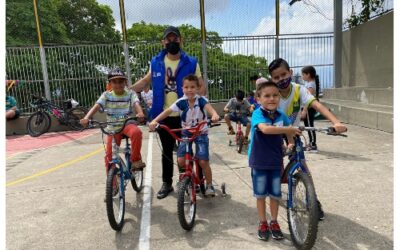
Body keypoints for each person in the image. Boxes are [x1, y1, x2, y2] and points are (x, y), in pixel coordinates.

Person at [268, 58, 347, 221]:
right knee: (274, 166)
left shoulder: (299, 90)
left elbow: (317, 105)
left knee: (302, 164)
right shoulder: (272, 95)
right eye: (276, 77)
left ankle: (312, 199)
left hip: (294, 131)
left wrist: (336, 122)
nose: (281, 79)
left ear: (290, 72)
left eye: (284, 74)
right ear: (272, 80)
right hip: (275, 133)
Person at [131, 26, 205, 199]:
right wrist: (129, 90)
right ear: (163, 42)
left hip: (186, 115)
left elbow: (201, 85)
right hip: (163, 114)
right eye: (168, 39)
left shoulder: (192, 62)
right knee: (166, 150)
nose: (172, 42)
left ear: (181, 40)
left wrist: (200, 104)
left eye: (175, 39)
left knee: (189, 148)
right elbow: (146, 80)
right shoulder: (156, 61)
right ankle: (167, 183)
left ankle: (197, 180)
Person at [149, 74, 219, 196]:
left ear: (197, 88)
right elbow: (167, 112)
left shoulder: (201, 100)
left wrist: (214, 115)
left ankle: (209, 184)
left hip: (200, 132)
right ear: (182, 89)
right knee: (181, 160)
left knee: (203, 161)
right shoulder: (180, 102)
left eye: (192, 87)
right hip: (186, 132)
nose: (189, 90)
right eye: (186, 87)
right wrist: (155, 120)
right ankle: (191, 178)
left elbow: (210, 109)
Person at [249, 80, 301, 241]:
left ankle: (274, 222)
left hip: (276, 161)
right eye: (267, 96)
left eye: (275, 95)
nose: (271, 99)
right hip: (259, 161)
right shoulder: (257, 114)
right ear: (258, 98)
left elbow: (289, 131)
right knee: (260, 195)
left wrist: (290, 141)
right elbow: (265, 129)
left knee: (275, 194)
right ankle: (263, 222)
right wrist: (289, 129)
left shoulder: (281, 115)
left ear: (279, 97)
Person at [80, 68, 146, 176]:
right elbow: (96, 106)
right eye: (114, 82)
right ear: (110, 83)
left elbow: (136, 104)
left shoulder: (130, 94)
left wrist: (140, 113)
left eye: (121, 81)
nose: (118, 84)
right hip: (112, 127)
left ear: (125, 82)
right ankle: (113, 181)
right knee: (109, 156)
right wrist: (87, 117)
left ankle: (135, 160)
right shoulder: (106, 95)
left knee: (136, 133)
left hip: (127, 124)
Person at [301, 66, 320, 152]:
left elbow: (308, 99)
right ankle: (311, 143)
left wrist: (304, 110)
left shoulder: (311, 84)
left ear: (308, 74)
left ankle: (313, 144)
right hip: (307, 109)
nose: (302, 76)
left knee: (310, 126)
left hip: (309, 109)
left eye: (303, 74)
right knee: (308, 126)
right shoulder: (309, 83)